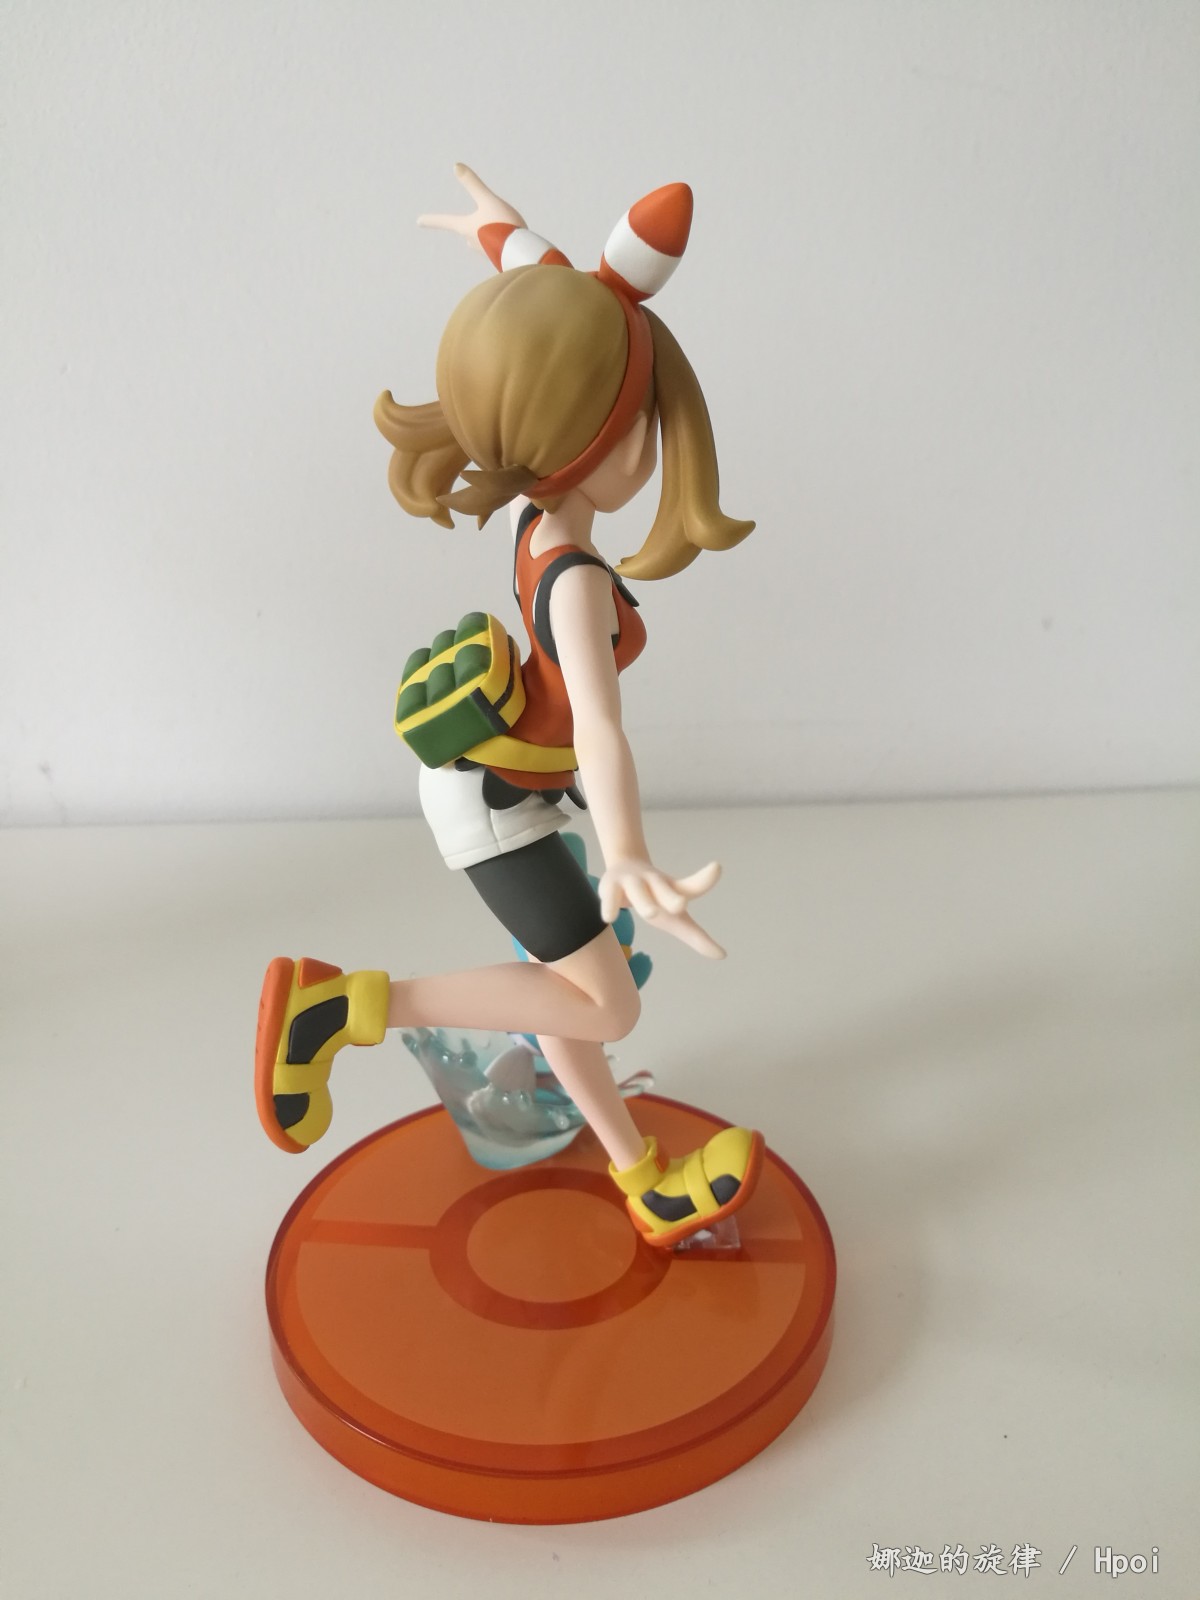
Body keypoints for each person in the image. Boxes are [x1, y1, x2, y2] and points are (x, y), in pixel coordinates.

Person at [255, 167, 763, 1248]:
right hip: (500, 806)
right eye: (643, 422)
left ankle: (646, 1183)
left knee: (569, 994)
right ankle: (340, 1007)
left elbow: (557, 288)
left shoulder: (540, 513)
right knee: (608, 1003)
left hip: (504, 784)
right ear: (609, 441)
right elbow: (600, 726)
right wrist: (626, 852)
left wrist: (499, 233)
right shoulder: (574, 577)